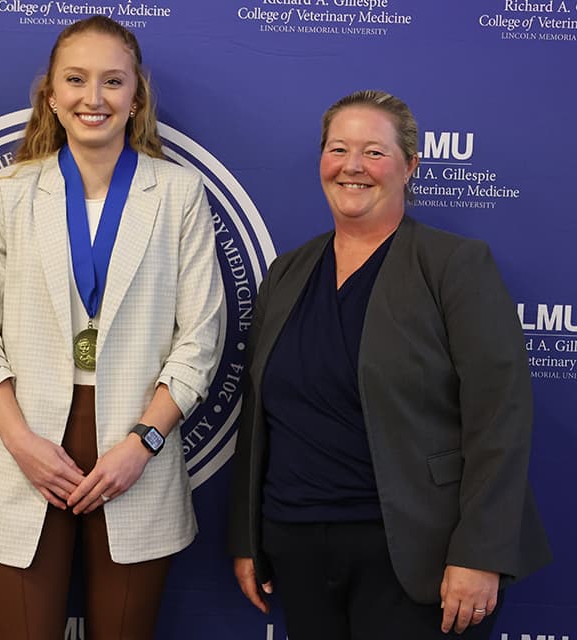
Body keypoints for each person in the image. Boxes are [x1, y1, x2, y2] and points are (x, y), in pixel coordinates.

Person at [227, 89, 551, 639]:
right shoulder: (286, 273)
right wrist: (246, 541)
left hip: (417, 554)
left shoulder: (454, 266)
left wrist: (480, 552)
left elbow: (501, 417)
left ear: (411, 167)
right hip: (297, 547)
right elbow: (257, 417)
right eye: (338, 149)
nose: (353, 166)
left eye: (374, 152)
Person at [0, 16, 224, 640]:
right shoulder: (10, 192)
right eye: (75, 80)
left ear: (137, 96)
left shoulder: (180, 194)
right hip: (26, 451)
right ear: (51, 94)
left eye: (112, 81)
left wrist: (143, 445)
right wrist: (22, 442)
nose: (93, 98)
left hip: (136, 452)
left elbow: (201, 340)